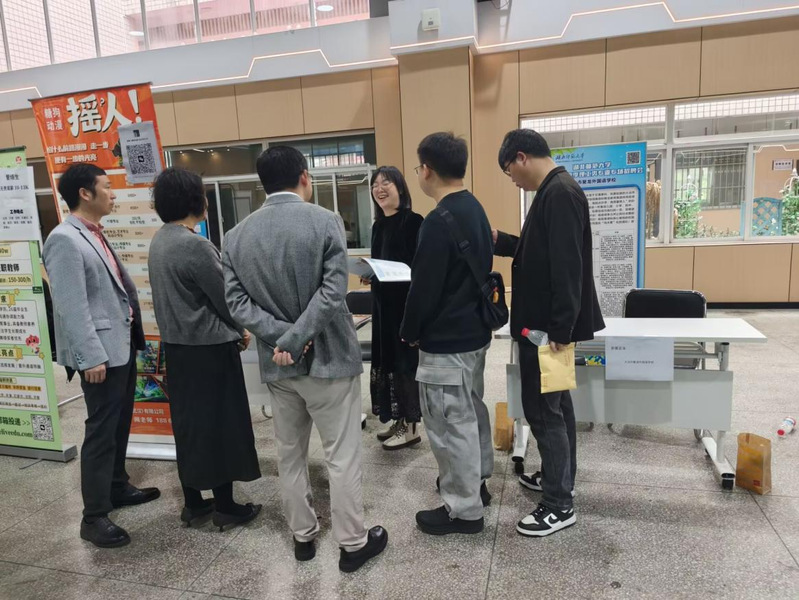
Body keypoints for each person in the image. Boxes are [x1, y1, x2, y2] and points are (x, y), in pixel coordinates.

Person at [222, 146, 387, 572]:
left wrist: (283, 339)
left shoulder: (235, 236)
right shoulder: (325, 220)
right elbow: (333, 293)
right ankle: (352, 543)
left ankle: (303, 536)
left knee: (290, 454)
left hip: (279, 366)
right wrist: (297, 338)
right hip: (329, 361)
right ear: (304, 177)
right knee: (341, 454)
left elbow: (237, 304)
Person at [494, 129, 604, 537]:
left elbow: (568, 266)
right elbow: (540, 251)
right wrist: (502, 241)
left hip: (545, 330)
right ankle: (560, 479)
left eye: (509, 171)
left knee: (543, 411)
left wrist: (560, 327)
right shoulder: (554, 190)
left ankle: (558, 505)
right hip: (546, 326)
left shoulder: (559, 193)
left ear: (521, 156)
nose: (512, 179)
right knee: (558, 407)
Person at [42, 163, 160, 549]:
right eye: (107, 187)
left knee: (119, 423)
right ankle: (93, 516)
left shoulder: (94, 233)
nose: (114, 194)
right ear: (85, 193)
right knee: (100, 430)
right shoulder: (64, 239)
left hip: (120, 347)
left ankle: (116, 486)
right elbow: (71, 306)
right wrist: (91, 356)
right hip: (101, 355)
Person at [148, 167, 262, 531]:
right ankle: (226, 507)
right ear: (194, 200)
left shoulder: (160, 240)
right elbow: (226, 298)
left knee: (190, 426)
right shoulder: (194, 245)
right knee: (220, 426)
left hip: (177, 350)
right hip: (209, 351)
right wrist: (242, 329)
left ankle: (194, 502)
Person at [400, 132, 494, 536]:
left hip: (446, 343)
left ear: (427, 170)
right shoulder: (475, 207)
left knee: (449, 423)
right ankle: (478, 483)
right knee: (471, 411)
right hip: (474, 335)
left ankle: (463, 509)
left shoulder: (438, 221)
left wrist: (409, 331)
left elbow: (424, 288)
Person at [366, 166, 424, 450]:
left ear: (400, 187)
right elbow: (380, 263)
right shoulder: (378, 226)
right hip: (382, 307)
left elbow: (420, 268)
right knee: (387, 361)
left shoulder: (414, 222)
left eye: (386, 183)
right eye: (375, 184)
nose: (379, 188)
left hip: (404, 307)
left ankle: (411, 428)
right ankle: (398, 420)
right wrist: (370, 273)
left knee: (404, 364)